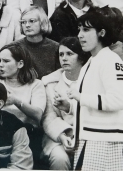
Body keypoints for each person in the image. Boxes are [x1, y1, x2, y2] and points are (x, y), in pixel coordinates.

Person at [67, 10, 123, 170]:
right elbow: (92, 104)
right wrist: (69, 106)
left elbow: (118, 101)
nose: (80, 35)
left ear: (101, 33)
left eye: (86, 30)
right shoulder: (91, 62)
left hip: (106, 141)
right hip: (88, 138)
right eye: (79, 29)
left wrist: (80, 97)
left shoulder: (111, 61)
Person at [40, 37, 90, 170]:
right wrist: (62, 136)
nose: (64, 58)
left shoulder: (92, 81)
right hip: (59, 136)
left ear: (81, 57)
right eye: (61, 54)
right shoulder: (50, 83)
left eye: (69, 54)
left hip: (88, 134)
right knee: (59, 158)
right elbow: (48, 117)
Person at [13, 6, 61, 79]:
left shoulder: (56, 47)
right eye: (23, 22)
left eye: (32, 21)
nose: (27, 25)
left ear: (42, 22)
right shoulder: (14, 47)